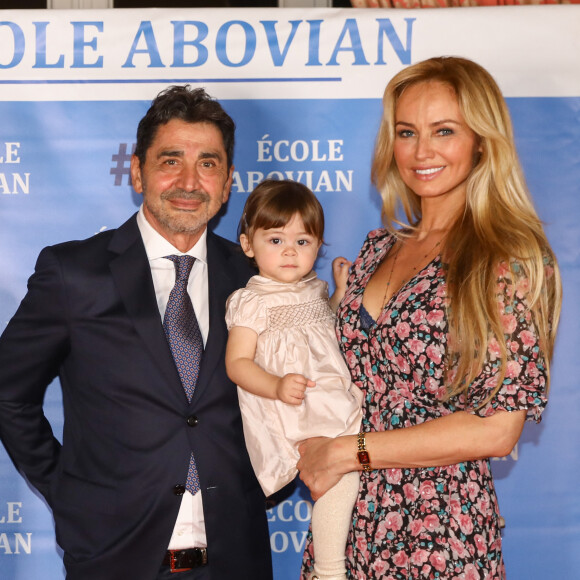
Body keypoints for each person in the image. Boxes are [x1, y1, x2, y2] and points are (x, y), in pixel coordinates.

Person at [297, 56, 562, 579]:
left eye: (444, 131)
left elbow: (497, 430)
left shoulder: (507, 257)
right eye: (406, 132)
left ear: (481, 141)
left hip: (439, 531)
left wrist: (350, 452)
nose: (421, 152)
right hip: (348, 522)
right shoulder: (376, 249)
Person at [0, 85, 273, 580]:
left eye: (208, 164)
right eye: (171, 160)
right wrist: (68, 491)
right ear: (136, 170)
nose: (190, 181)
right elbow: (8, 391)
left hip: (236, 557)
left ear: (229, 181)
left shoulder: (255, 278)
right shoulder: (73, 271)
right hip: (113, 557)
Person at [224, 179, 364, 580]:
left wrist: (339, 294)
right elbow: (237, 363)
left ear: (318, 246)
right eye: (276, 239)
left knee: (355, 477)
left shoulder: (314, 291)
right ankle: (330, 570)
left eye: (303, 241)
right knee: (339, 480)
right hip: (298, 412)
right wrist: (276, 385)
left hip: (333, 399)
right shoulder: (251, 301)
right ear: (249, 245)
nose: (290, 250)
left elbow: (327, 332)